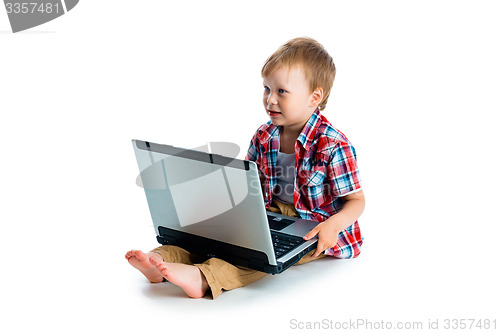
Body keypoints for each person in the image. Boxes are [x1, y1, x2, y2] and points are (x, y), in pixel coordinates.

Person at [125, 37, 365, 299]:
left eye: (281, 91)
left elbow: (356, 201)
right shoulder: (264, 135)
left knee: (259, 256)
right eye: (266, 89)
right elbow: (247, 181)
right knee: (215, 237)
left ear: (314, 97)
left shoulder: (333, 145)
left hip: (312, 227)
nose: (270, 100)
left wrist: (333, 225)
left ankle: (204, 277)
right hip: (268, 212)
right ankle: (159, 261)